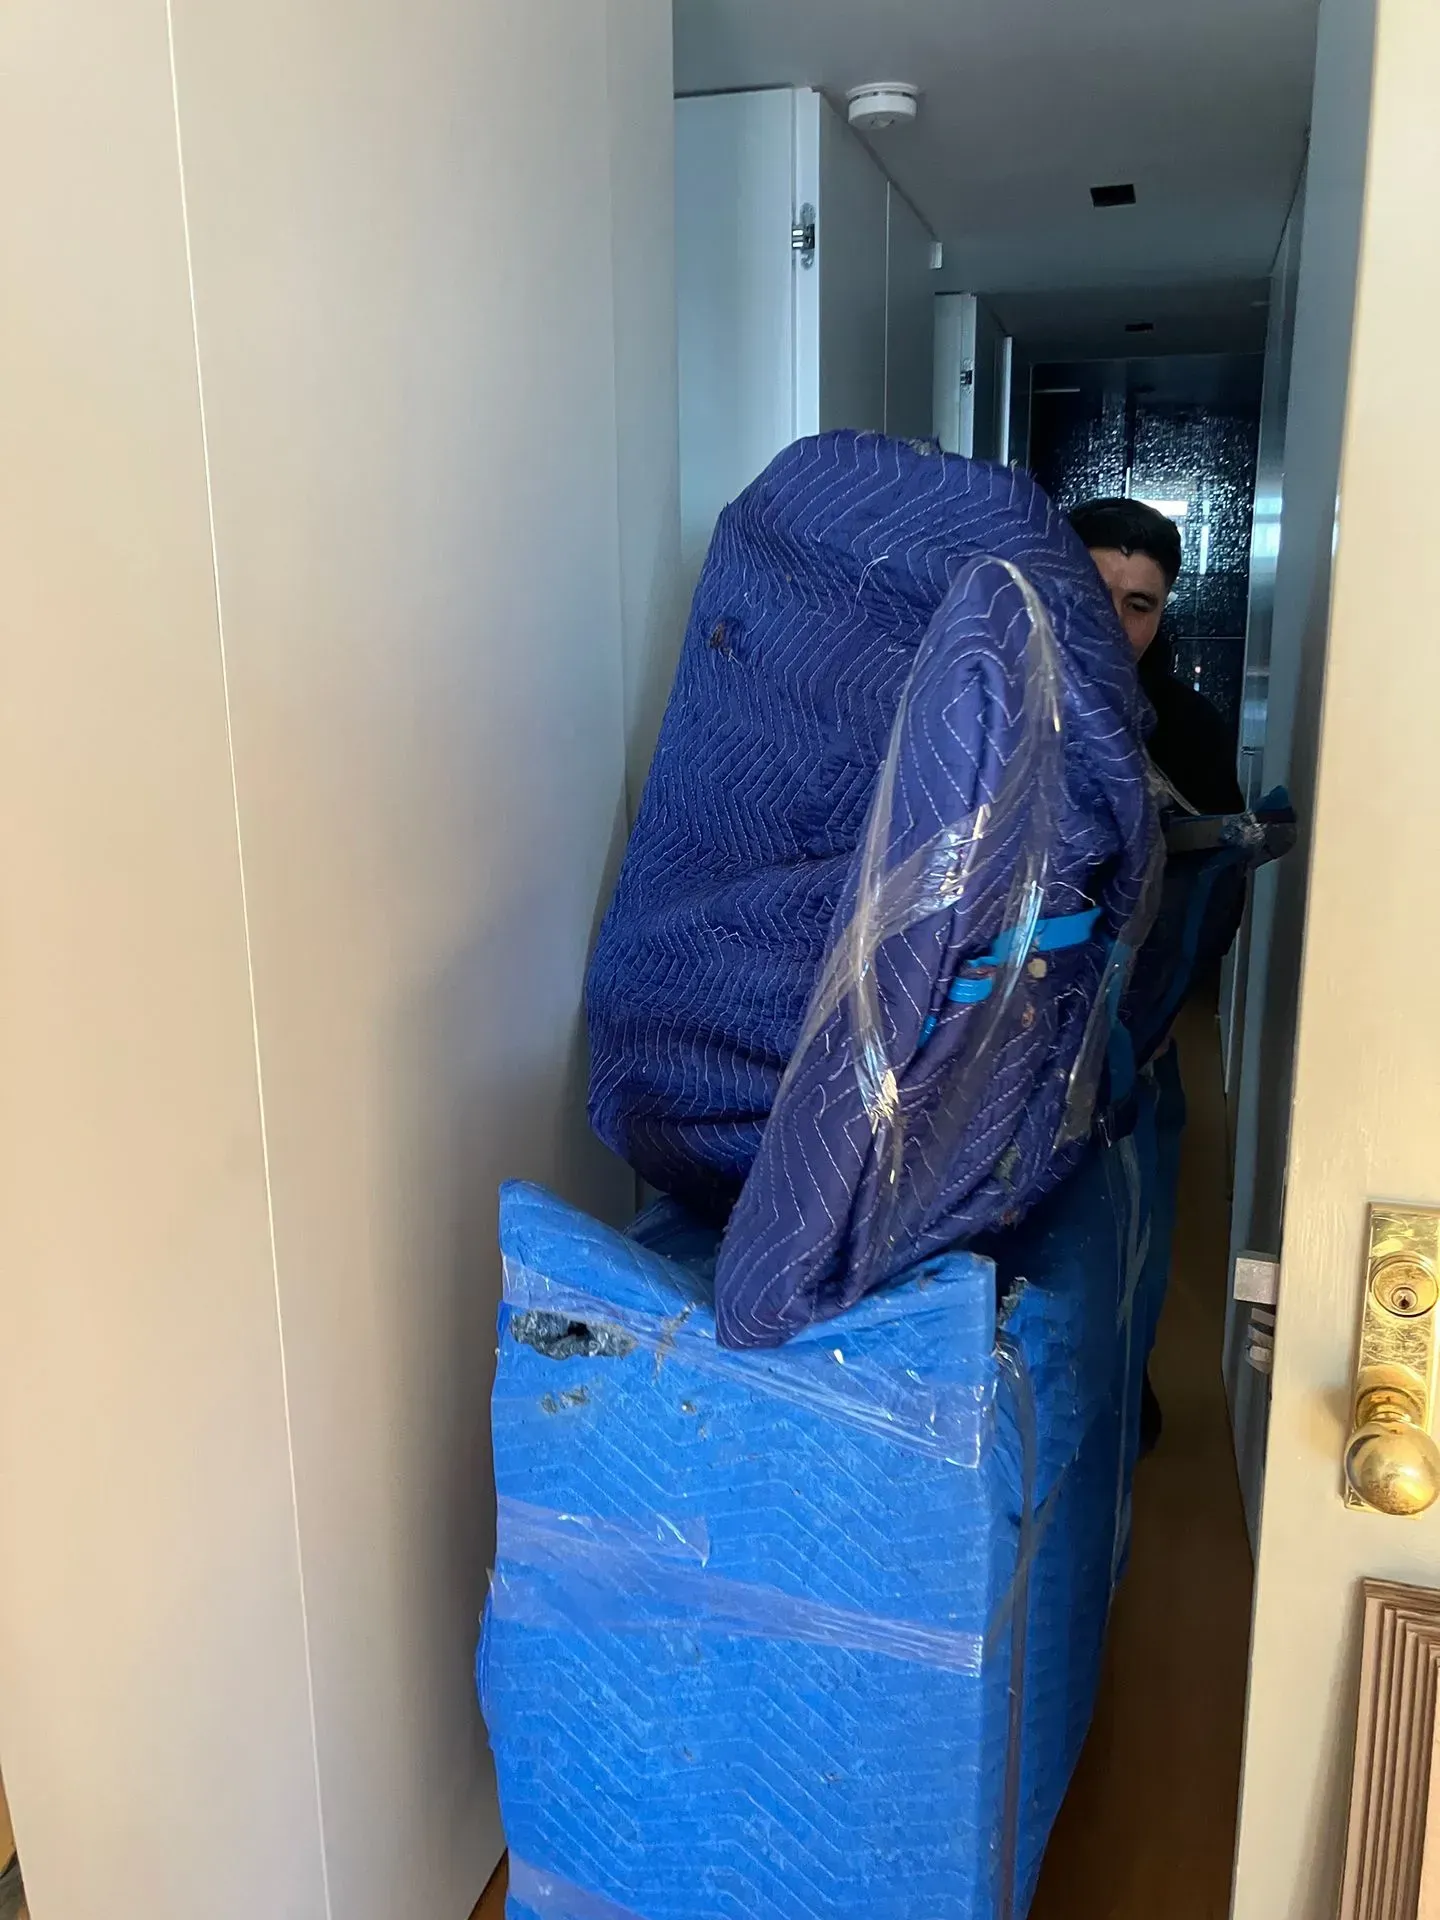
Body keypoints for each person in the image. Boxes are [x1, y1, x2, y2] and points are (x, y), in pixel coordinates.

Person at [1069, 497, 1244, 1458]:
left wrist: (1177, 1000)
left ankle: (1118, 1401)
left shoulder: (1186, 729)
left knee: (1130, 1225)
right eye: (1094, 590)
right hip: (1007, 1033)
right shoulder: (986, 696)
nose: (1115, 621)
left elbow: (1218, 884)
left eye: (1139, 605)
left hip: (1139, 1038)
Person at [1069, 496, 1244, 817]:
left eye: (1138, 606)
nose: (1111, 624)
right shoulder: (995, 702)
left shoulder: (1193, 729)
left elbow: (1217, 845)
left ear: (1161, 614)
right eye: (1091, 596)